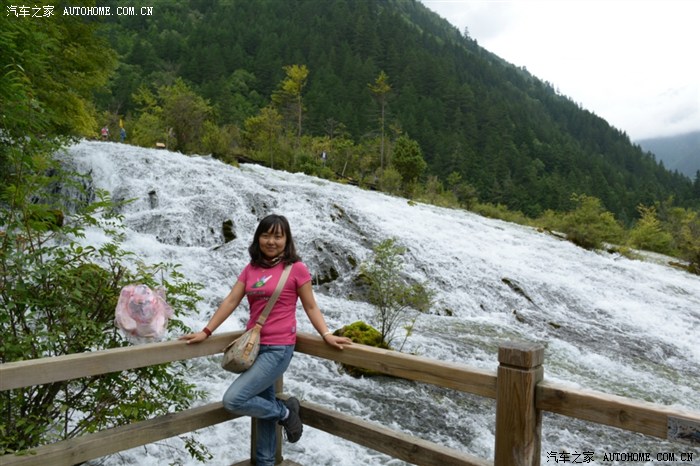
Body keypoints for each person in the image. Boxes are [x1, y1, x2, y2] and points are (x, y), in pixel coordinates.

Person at [180, 214, 351, 465]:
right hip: (254, 347)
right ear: (258, 238)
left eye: (278, 236)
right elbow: (231, 300)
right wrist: (206, 331)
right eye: (266, 235)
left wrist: (326, 335)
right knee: (264, 405)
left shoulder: (296, 268)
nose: (271, 241)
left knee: (233, 399)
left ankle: (285, 413)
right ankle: (266, 459)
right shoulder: (251, 269)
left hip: (279, 348)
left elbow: (311, 306)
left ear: (286, 240)